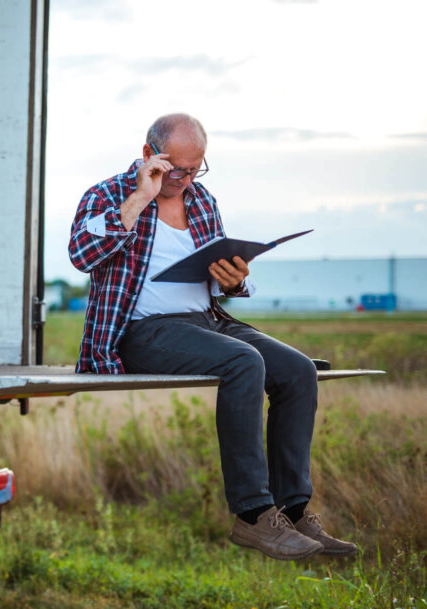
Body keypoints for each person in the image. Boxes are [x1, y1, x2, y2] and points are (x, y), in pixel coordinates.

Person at [68, 113, 357, 560]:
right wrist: (140, 198)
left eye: (195, 168)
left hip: (207, 320)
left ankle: (293, 510)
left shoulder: (201, 200)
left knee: (298, 371)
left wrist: (235, 280)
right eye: (176, 169)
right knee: (243, 362)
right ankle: (254, 515)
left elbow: (220, 271)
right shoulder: (107, 194)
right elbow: (81, 256)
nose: (184, 180)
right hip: (141, 331)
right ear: (149, 155)